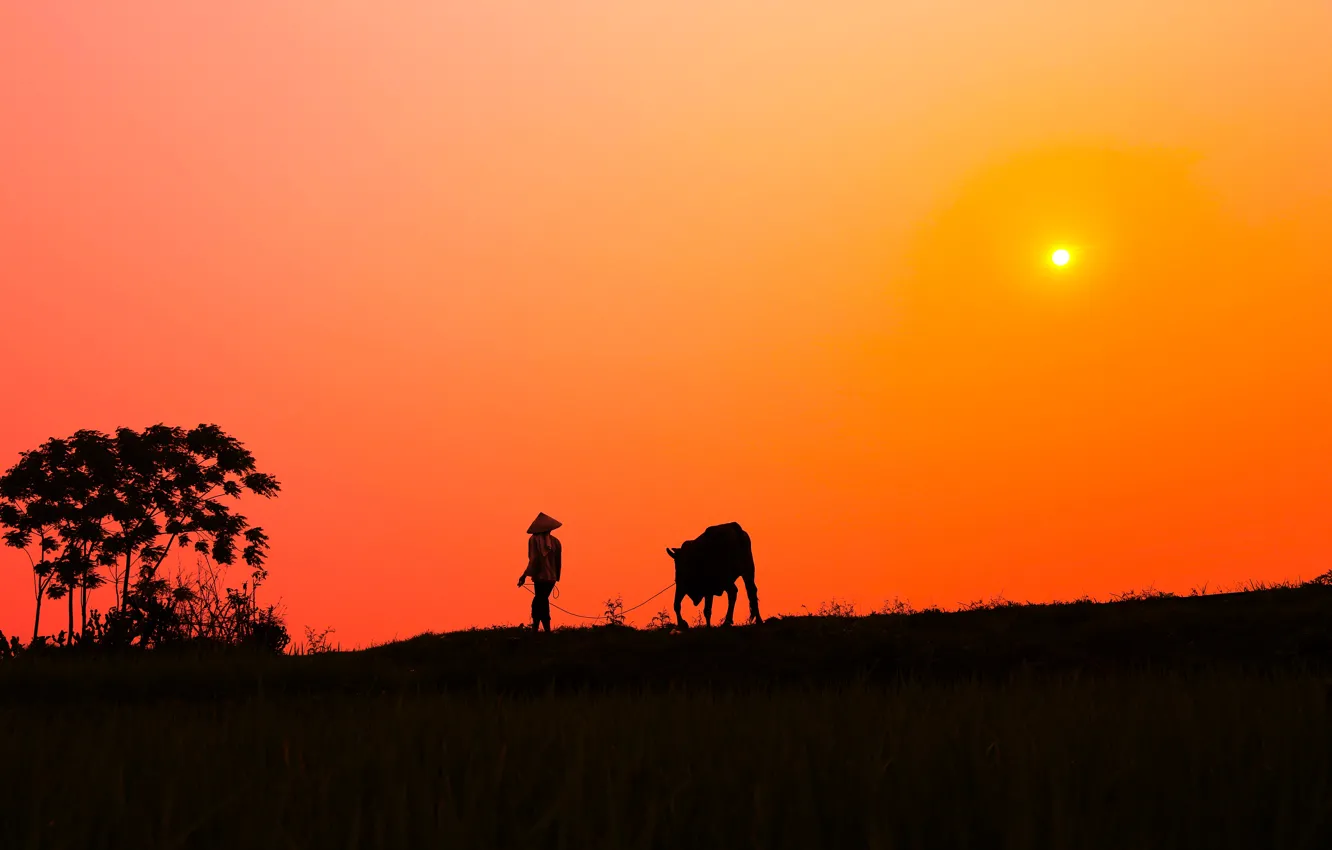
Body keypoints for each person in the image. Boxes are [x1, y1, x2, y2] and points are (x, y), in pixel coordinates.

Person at [517, 512, 562, 632]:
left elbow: (533, 560)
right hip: (551, 577)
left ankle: (537, 629)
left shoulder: (534, 539)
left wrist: (524, 575)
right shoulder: (556, 542)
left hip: (540, 577)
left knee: (539, 601)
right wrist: (556, 577)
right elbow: (558, 562)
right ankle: (543, 629)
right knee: (542, 601)